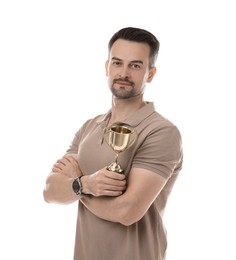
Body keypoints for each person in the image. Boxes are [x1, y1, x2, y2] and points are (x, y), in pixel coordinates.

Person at [43, 27, 183, 260]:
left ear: (150, 74)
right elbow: (49, 190)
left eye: (135, 65)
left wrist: (79, 188)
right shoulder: (90, 126)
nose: (124, 73)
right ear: (107, 67)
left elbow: (128, 211)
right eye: (117, 63)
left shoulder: (161, 132)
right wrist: (85, 184)